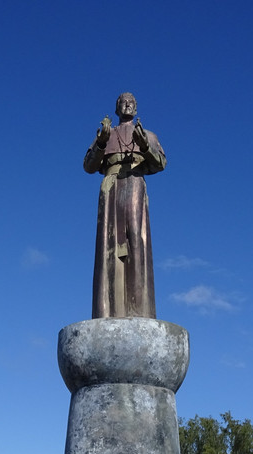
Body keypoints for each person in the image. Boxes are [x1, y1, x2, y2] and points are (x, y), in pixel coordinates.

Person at [84, 92, 167, 319]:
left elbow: (161, 163)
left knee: (136, 245)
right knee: (107, 247)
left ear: (136, 108)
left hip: (135, 184)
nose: (127, 105)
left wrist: (145, 146)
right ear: (117, 107)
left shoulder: (148, 135)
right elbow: (89, 166)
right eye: (123, 102)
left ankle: (138, 309)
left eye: (131, 102)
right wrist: (101, 143)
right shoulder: (106, 134)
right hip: (110, 187)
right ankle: (106, 311)